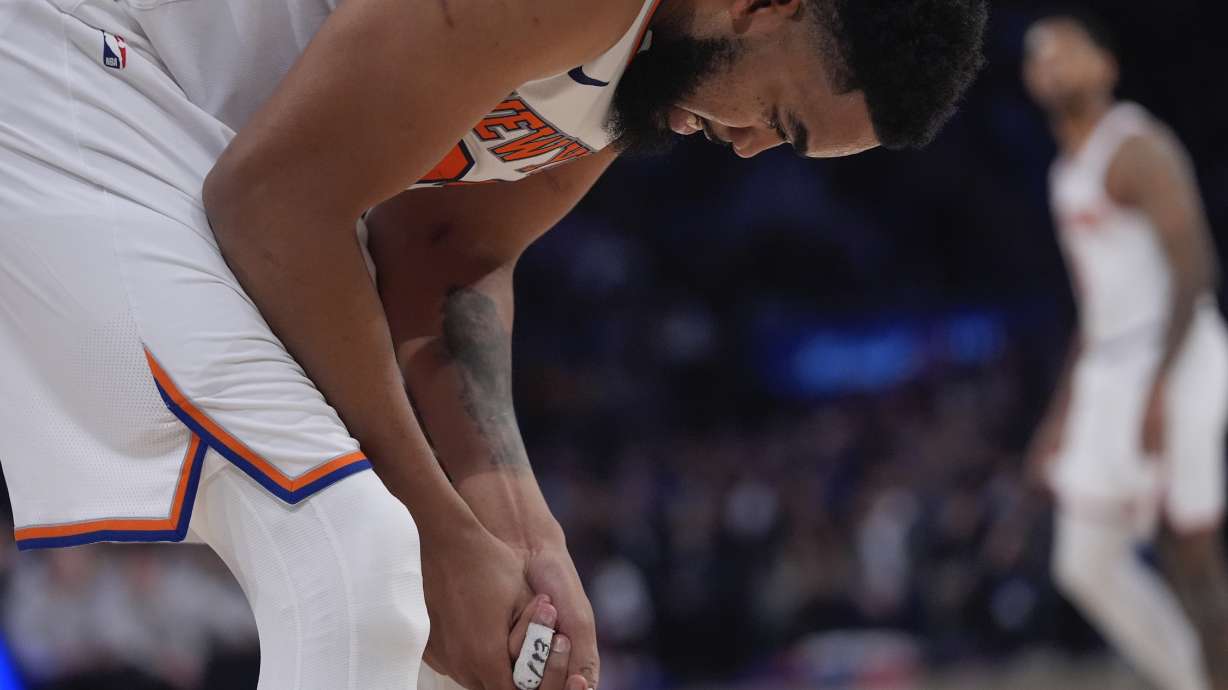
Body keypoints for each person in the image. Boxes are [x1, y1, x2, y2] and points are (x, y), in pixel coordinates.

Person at [0, 0, 987, 687]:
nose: (750, 150)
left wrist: (517, 527)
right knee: (356, 551)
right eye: (780, 119)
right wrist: (440, 530)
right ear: (767, 5)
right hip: (70, 62)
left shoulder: (650, 67)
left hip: (190, 141)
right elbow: (274, 209)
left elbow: (445, 252)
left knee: (463, 633)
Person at [1024, 12, 1228, 690]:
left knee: (1187, 550)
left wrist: (1162, 386)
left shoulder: (1137, 146)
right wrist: (1060, 416)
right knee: (1082, 562)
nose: (1052, 62)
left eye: (1068, 51)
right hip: (1111, 361)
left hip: (1176, 349)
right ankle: (1191, 679)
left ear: (1104, 68)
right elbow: (1095, 308)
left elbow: (1195, 265)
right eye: (1040, 55)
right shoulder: (1065, 174)